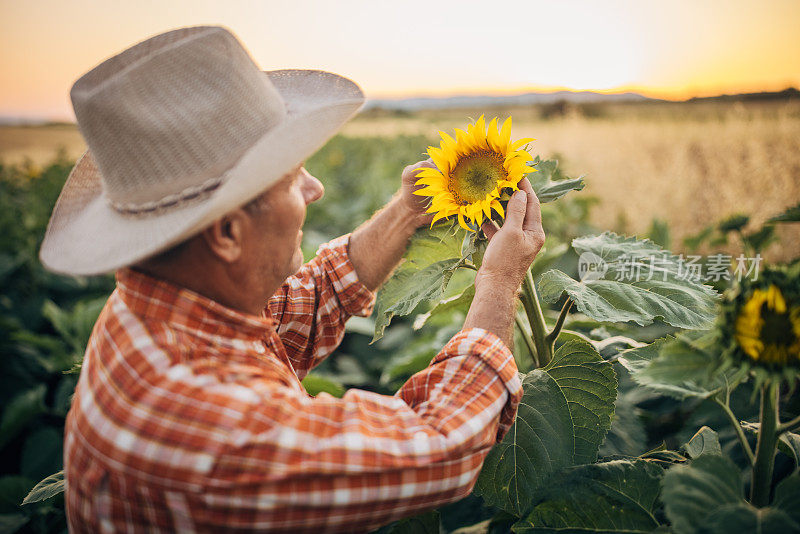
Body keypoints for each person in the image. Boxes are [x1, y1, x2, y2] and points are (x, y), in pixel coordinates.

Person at [39, 26, 545, 533]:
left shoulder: (162, 306)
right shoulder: (202, 421)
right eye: (291, 176)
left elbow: (310, 300)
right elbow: (439, 446)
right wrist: (499, 281)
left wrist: (409, 210)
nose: (315, 188)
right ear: (228, 232)